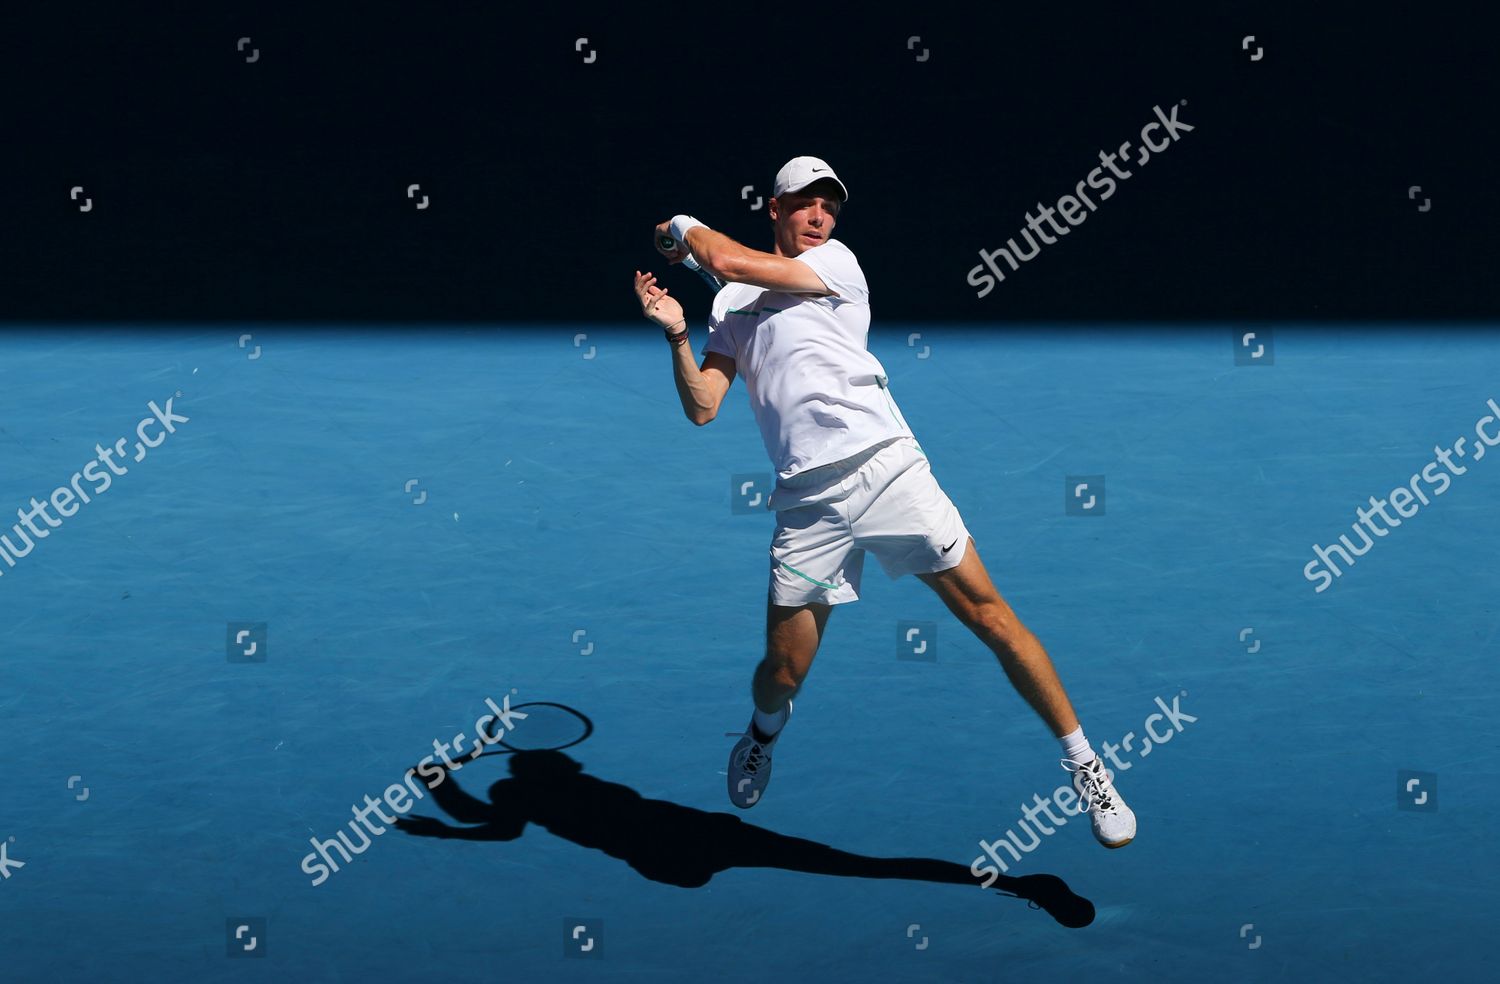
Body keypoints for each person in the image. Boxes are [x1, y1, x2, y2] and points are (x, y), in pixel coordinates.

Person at [631, 156, 1135, 850]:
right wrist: (677, 334)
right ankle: (760, 735)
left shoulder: (836, 264)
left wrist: (681, 228)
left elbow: (724, 257)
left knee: (991, 616)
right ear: (773, 209)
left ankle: (1087, 768)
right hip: (806, 503)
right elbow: (703, 407)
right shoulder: (728, 304)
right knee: (782, 673)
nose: (818, 217)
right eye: (804, 204)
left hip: (887, 470)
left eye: (828, 207)